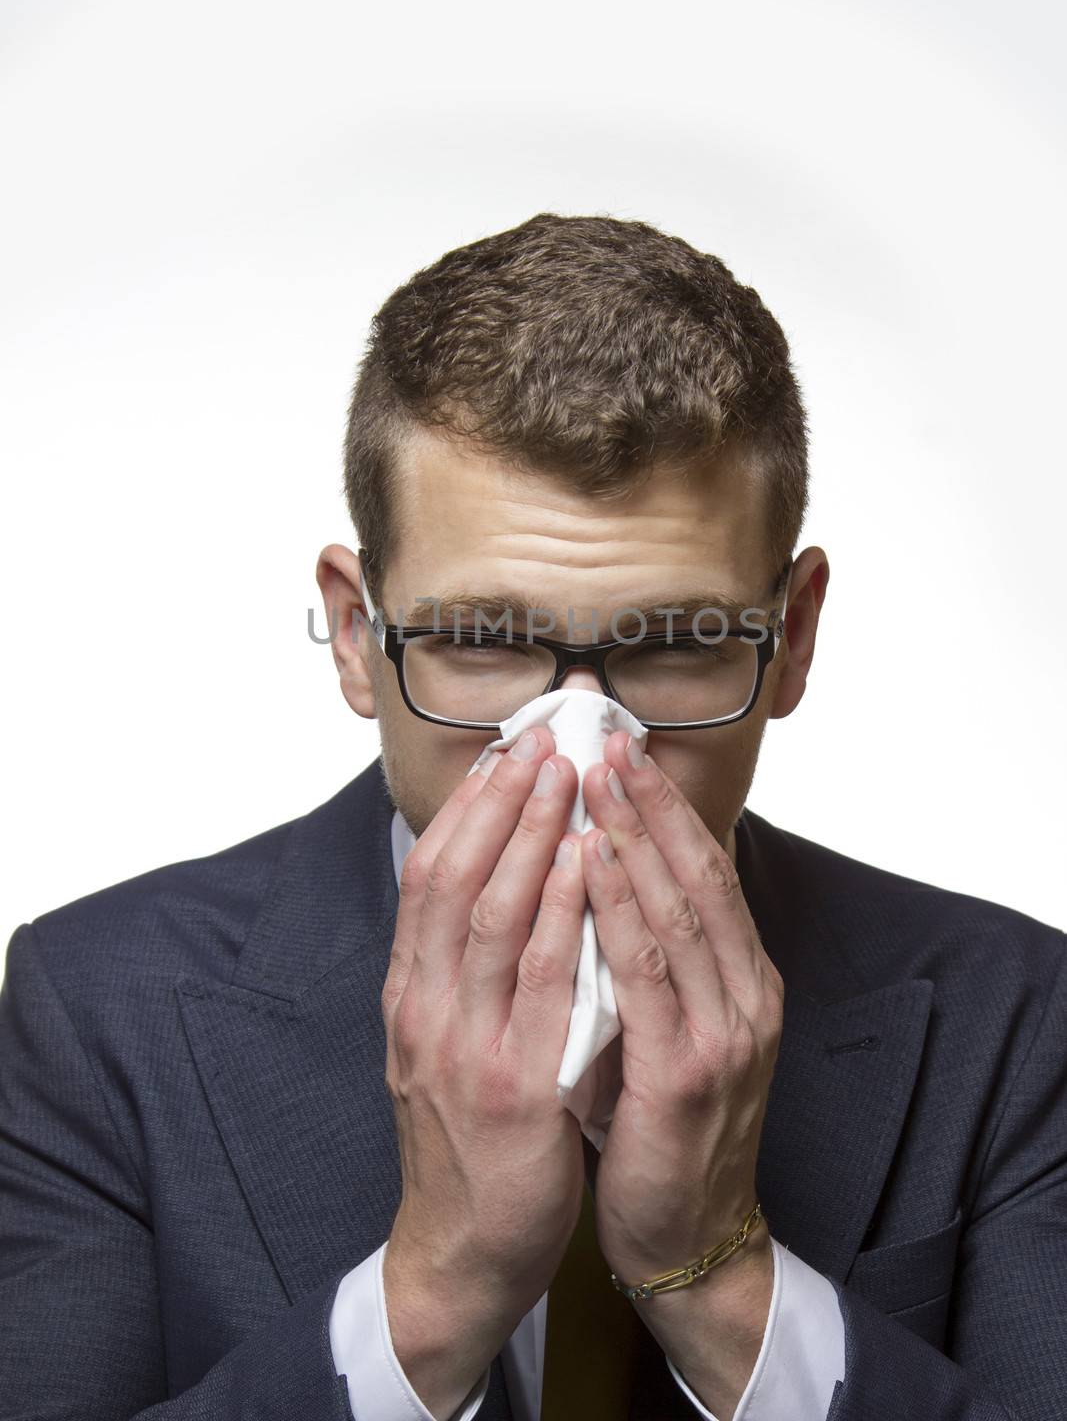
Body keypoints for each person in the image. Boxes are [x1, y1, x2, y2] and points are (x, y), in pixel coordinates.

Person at [1, 213, 1063, 1421]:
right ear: (357, 633)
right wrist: (432, 1293)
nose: (576, 742)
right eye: (479, 641)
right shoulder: (95, 1011)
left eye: (675, 643)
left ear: (793, 637)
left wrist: (722, 1279)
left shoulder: (1011, 1018)